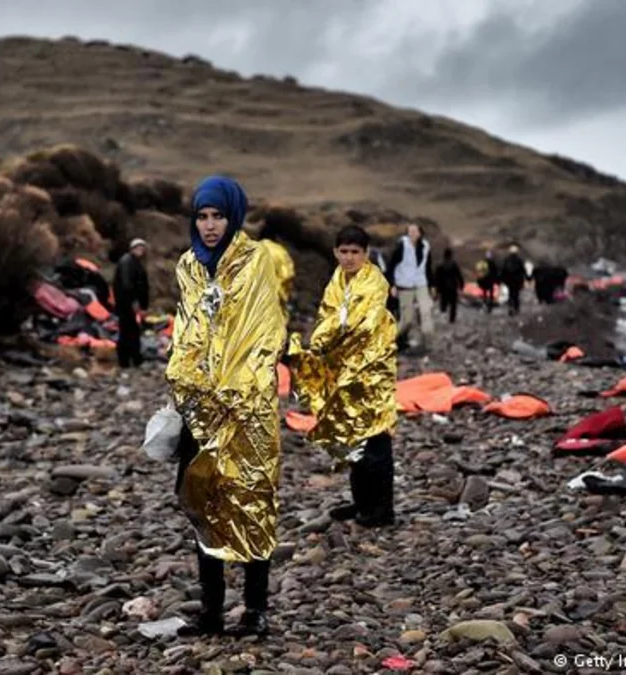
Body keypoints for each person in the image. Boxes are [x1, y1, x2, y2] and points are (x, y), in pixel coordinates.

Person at [166, 175, 286, 638]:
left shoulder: (257, 261)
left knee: (252, 498)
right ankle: (211, 611)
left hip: (247, 406)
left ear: (233, 215)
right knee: (203, 499)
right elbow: (187, 332)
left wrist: (235, 393)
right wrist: (182, 384)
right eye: (202, 215)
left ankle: (255, 609)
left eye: (218, 215)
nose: (210, 225)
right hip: (200, 405)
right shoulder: (188, 266)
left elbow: (263, 334)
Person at [287, 225, 397, 527]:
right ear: (336, 252)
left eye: (355, 252)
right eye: (344, 251)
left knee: (375, 438)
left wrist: (328, 337)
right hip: (342, 370)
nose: (349, 258)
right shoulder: (336, 281)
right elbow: (328, 318)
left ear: (366, 254)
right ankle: (362, 501)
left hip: (370, 371)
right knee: (351, 437)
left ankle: (382, 509)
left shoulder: (375, 284)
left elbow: (360, 326)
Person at [386, 223, 434, 352]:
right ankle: (388, 340)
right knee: (407, 319)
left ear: (420, 233)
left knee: (426, 312)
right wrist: (392, 285)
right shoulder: (401, 246)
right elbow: (391, 266)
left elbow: (428, 267)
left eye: (414, 231)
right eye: (409, 231)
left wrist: (432, 286)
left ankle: (427, 343)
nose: (412, 233)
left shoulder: (425, 246)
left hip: (421, 284)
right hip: (404, 285)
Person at [114, 237, 150, 367]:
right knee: (127, 331)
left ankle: (134, 359)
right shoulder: (127, 262)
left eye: (142, 248)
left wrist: (144, 306)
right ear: (132, 249)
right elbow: (126, 284)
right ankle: (126, 361)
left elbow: (143, 286)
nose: (140, 250)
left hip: (132, 304)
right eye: (138, 247)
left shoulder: (137, 263)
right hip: (126, 304)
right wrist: (134, 302)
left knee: (132, 331)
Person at [433, 248, 465, 324]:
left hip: (443, 288)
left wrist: (436, 289)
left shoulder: (439, 264)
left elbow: (436, 278)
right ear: (451, 255)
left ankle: (443, 316)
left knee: (443, 303)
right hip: (452, 287)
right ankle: (451, 319)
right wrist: (461, 285)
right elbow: (459, 275)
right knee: (453, 305)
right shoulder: (454, 264)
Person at [500, 244, 530, 316]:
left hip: (509, 280)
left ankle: (510, 306)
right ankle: (516, 308)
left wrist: (501, 279)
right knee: (516, 294)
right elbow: (523, 270)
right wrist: (527, 278)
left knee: (510, 293)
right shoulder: (519, 260)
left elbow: (503, 270)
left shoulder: (506, 259)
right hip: (517, 280)